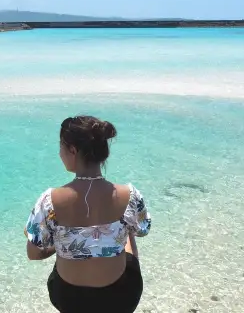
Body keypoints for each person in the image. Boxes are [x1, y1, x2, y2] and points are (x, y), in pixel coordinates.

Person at [24, 115, 151, 312]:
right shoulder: (130, 196)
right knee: (128, 231)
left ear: (73, 150)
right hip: (121, 297)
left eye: (61, 148)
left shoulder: (48, 201)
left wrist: (68, 244)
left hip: (69, 299)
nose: (59, 154)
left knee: (54, 239)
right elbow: (143, 229)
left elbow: (33, 254)